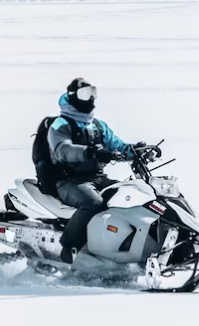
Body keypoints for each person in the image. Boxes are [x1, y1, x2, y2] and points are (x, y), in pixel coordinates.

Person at [48, 78, 141, 263]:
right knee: (93, 202)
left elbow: (117, 146)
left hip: (98, 178)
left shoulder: (97, 125)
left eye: (93, 93)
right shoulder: (60, 125)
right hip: (71, 182)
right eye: (85, 94)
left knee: (130, 194)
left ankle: (121, 248)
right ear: (73, 97)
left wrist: (136, 151)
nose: (90, 99)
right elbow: (63, 150)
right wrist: (91, 152)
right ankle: (68, 248)